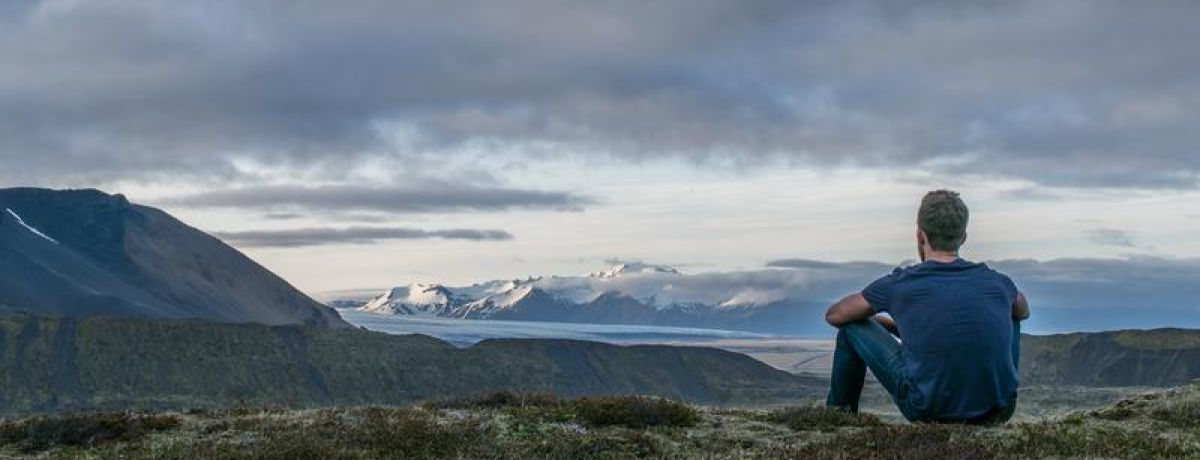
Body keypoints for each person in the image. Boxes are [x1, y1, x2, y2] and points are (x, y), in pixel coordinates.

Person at [824, 190, 1029, 424]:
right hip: (999, 410)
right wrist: (895, 326)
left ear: (920, 235)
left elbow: (835, 315)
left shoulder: (900, 284)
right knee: (1012, 313)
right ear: (963, 237)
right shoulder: (999, 283)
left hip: (927, 409)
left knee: (850, 330)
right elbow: (1023, 311)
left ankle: (837, 419)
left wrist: (874, 320)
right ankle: (994, 394)